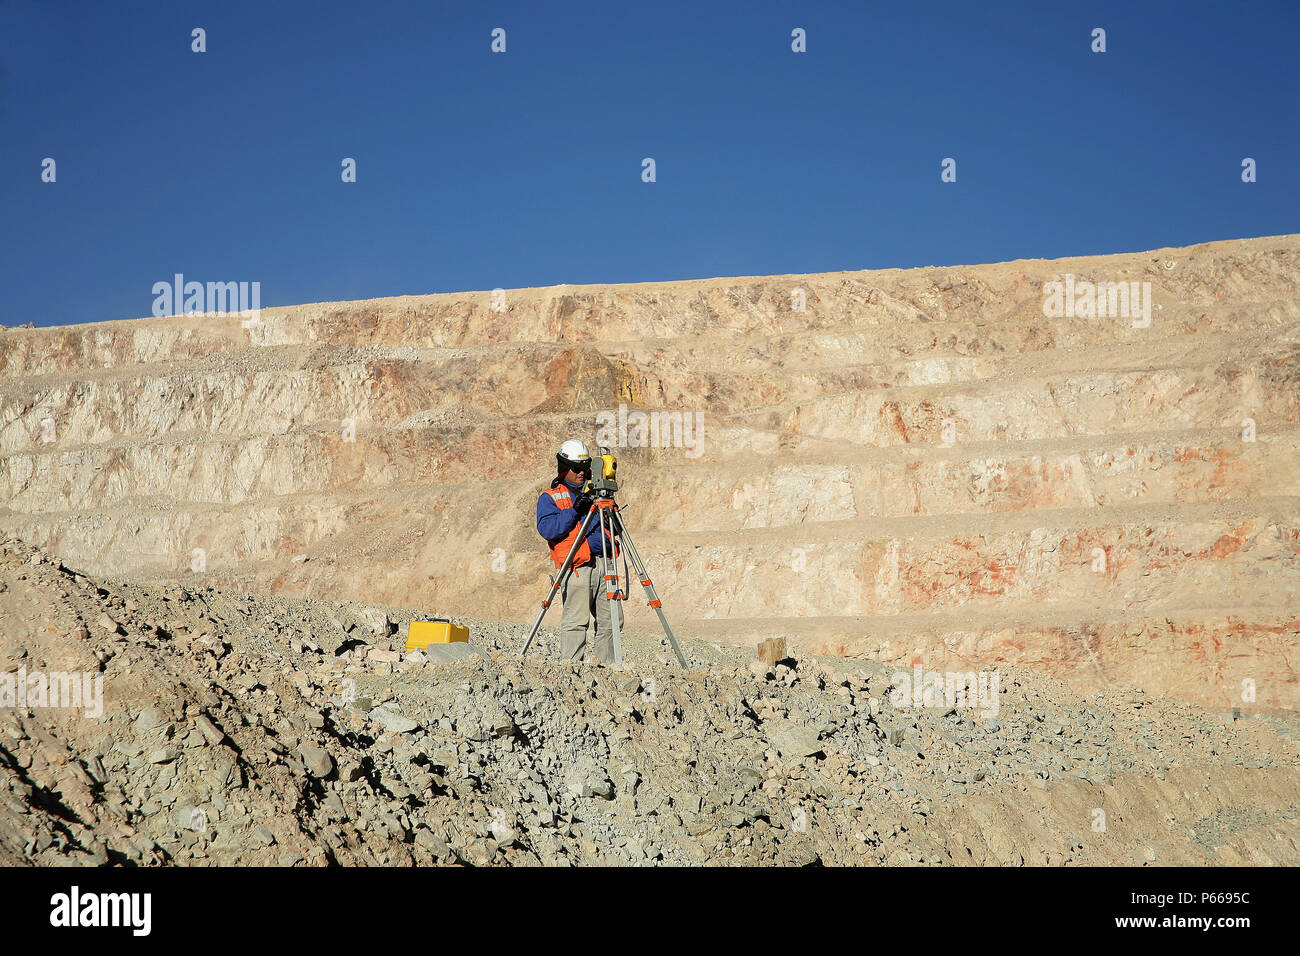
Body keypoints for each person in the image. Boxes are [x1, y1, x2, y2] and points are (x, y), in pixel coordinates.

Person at [535, 439, 623, 662]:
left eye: (585, 468)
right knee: (576, 622)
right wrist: (575, 510)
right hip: (576, 567)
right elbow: (548, 529)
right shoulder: (551, 496)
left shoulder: (596, 494)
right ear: (564, 468)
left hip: (604, 563)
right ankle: (572, 672)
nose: (582, 473)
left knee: (612, 620)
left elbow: (615, 529)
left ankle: (610, 668)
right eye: (576, 468)